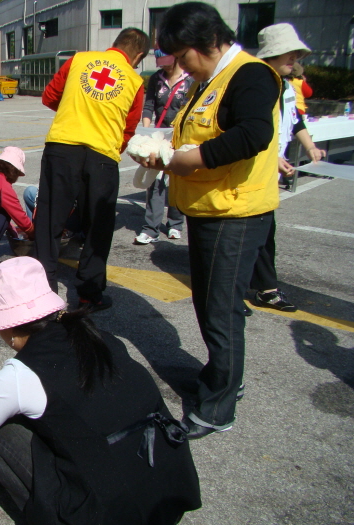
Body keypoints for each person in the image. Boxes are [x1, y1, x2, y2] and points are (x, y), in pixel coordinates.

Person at [0, 257, 202, 524]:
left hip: (112, 514)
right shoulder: (100, 338)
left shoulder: (19, 376)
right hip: (169, 489)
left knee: (0, 433)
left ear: (7, 327)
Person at [138, 2, 281, 439]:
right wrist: (164, 154)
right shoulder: (211, 80)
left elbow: (254, 134)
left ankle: (218, 407)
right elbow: (197, 132)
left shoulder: (250, 75)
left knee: (220, 311)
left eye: (182, 57)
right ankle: (224, 377)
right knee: (211, 305)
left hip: (233, 214)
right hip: (210, 209)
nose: (180, 66)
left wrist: (188, 161)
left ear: (206, 43)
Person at [34, 27, 150, 312]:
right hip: (102, 156)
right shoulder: (135, 80)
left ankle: (41, 290)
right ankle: (89, 293)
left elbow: (49, 97)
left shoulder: (79, 59)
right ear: (139, 55)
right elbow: (128, 129)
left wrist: (77, 109)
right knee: (98, 227)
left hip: (62, 147)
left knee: (50, 220)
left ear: (113, 44)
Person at [246, 24, 326, 314]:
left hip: (267, 172)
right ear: (272, 54)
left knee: (262, 232)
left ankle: (256, 288)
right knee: (257, 233)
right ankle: (260, 290)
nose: (294, 58)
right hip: (252, 171)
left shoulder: (286, 86)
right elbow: (248, 129)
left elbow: (296, 122)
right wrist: (271, 158)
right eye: (288, 53)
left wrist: (310, 147)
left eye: (296, 54)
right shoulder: (258, 82)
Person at [134, 50, 193, 245]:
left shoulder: (190, 78)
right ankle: (151, 229)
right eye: (161, 63)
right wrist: (147, 129)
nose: (164, 66)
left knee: (176, 179)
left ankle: (175, 224)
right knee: (155, 180)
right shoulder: (156, 79)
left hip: (179, 137)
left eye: (167, 62)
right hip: (159, 135)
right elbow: (149, 105)